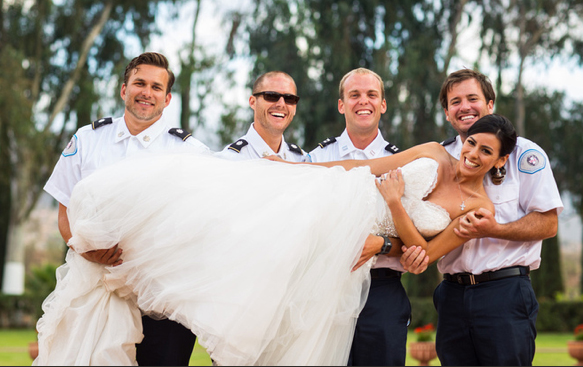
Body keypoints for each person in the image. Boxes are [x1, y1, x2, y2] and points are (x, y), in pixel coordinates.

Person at [34, 113, 518, 366]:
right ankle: (133, 250)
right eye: (471, 142)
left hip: (353, 242)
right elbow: (361, 167)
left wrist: (392, 210)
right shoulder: (434, 151)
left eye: (485, 151)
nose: (471, 153)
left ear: (500, 162)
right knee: (236, 213)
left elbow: (421, 258)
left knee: (274, 301)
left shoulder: (481, 210)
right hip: (336, 197)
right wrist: (297, 169)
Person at [40, 52, 210, 366]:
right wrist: (83, 248)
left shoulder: (190, 152)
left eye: (156, 87)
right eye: (139, 83)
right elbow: (65, 207)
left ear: (167, 98)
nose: (147, 92)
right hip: (97, 291)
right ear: (123, 90)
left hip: (164, 299)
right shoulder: (88, 139)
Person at [408, 69, 564, 366]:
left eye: (472, 98)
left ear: (490, 104)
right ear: (447, 112)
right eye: (455, 101)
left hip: (504, 295)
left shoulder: (523, 155)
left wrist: (495, 229)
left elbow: (549, 223)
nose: (464, 107)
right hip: (452, 295)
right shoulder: (438, 158)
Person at [308, 67, 407, 366]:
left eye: (371, 94)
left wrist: (383, 244)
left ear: (383, 104)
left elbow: (414, 236)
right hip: (328, 288)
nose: (363, 101)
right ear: (341, 105)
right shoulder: (316, 159)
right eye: (354, 95)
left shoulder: (403, 163)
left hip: (383, 288)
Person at [216, 71, 307, 162]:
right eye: (271, 96)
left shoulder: (302, 160)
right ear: (253, 102)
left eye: (289, 98)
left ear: (295, 108)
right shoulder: (230, 160)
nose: (281, 104)